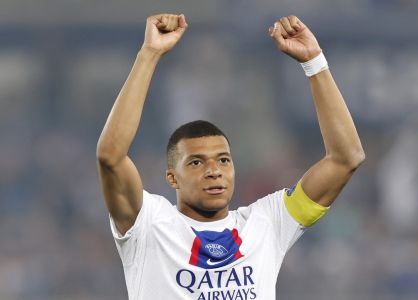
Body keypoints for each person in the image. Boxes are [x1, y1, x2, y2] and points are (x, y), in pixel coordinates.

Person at [96, 13, 365, 300]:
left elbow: (345, 159)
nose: (214, 170)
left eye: (223, 160)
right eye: (196, 162)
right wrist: (149, 54)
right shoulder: (148, 225)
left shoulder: (266, 223)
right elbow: (111, 155)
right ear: (172, 177)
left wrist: (314, 62)